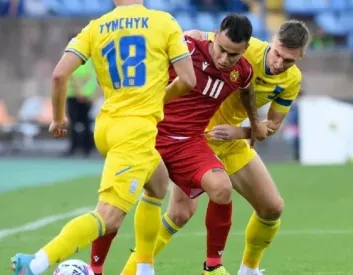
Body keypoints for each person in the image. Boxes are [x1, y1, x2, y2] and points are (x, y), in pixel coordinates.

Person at [88, 20, 309, 275]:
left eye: (289, 60)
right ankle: (132, 270)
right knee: (180, 212)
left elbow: (270, 126)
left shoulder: (291, 81)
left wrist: (240, 131)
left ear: (301, 56)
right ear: (272, 41)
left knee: (272, 207)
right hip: (196, 135)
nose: (279, 63)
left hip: (230, 140)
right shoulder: (243, 48)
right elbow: (195, 38)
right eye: (278, 54)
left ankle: (249, 270)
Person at [10, 0, 196, 274]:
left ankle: (144, 268)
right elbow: (188, 80)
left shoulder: (95, 27)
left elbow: (59, 74)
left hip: (107, 126)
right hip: (135, 131)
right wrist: (158, 98)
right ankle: (37, 262)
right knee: (109, 217)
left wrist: (59, 118)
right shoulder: (163, 21)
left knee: (157, 184)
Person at [64, 38, 98, 157]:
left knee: (86, 122)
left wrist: (84, 92)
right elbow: (66, 75)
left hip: (85, 97)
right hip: (72, 95)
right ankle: (73, 147)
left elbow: (93, 78)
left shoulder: (89, 59)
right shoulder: (67, 57)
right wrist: (77, 91)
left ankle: (87, 148)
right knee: (73, 123)